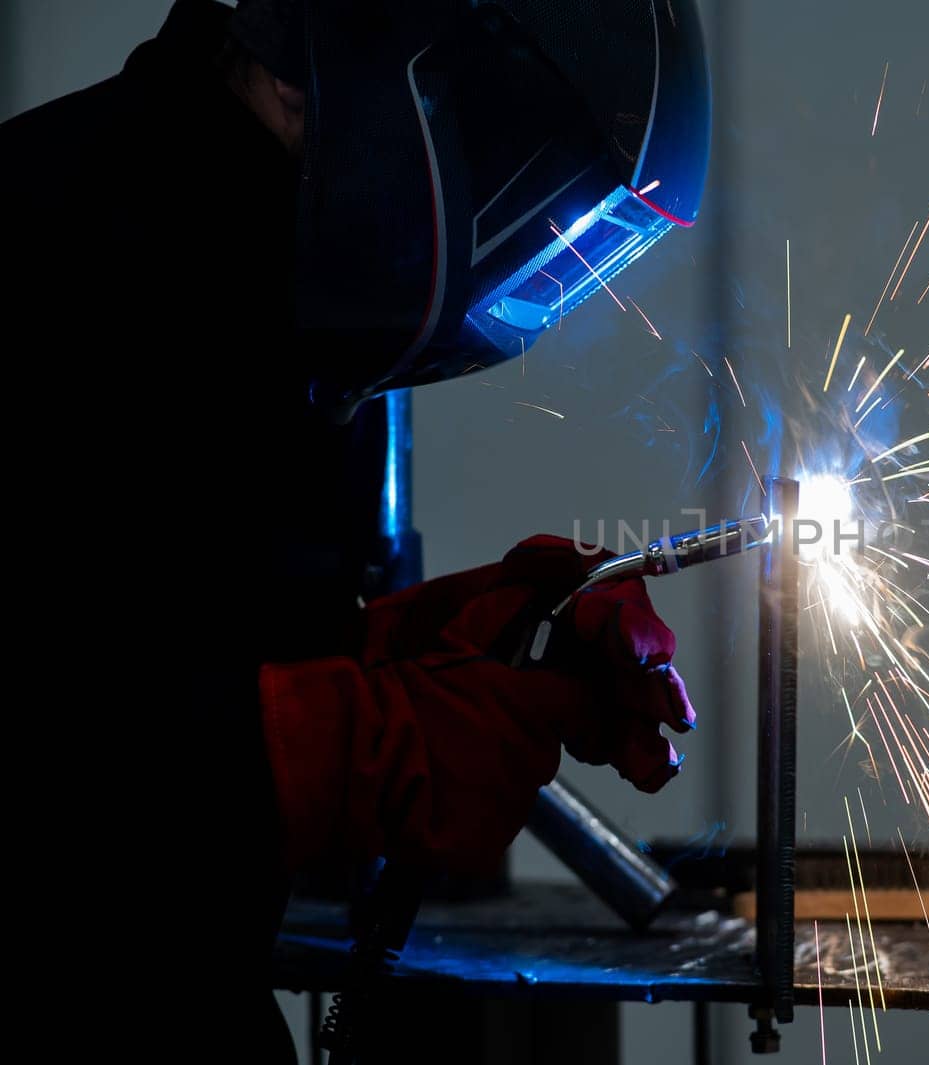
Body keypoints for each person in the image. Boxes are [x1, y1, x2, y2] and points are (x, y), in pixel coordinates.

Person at [1, 0, 709, 1057]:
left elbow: (167, 623)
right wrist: (340, 747)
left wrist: (440, 646)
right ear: (326, 68)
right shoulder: (43, 236)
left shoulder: (268, 285)